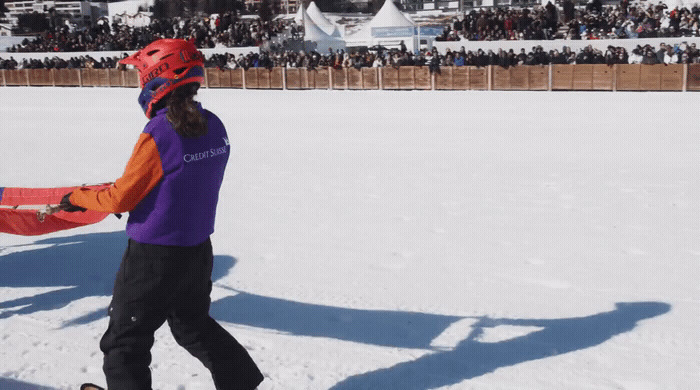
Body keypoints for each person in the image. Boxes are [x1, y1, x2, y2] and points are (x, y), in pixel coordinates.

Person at [59, 38, 264, 390]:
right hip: (197, 251)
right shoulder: (213, 124)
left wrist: (77, 197)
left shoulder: (160, 132)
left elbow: (120, 199)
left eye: (141, 74)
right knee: (192, 326)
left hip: (153, 259)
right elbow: (181, 181)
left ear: (155, 80)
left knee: (125, 341)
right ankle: (241, 382)